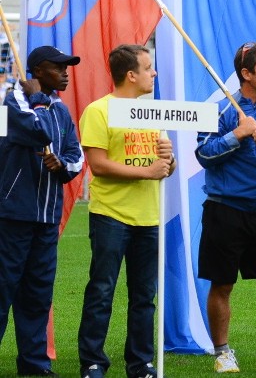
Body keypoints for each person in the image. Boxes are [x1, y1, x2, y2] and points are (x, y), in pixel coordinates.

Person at [78, 45, 176, 378]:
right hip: (111, 215)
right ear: (131, 75)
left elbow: (164, 168)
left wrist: (168, 159)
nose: (154, 73)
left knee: (144, 296)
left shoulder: (150, 112)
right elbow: (98, 165)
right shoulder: (99, 110)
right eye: (149, 68)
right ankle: (93, 361)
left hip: (149, 216)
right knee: (102, 290)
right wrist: (149, 171)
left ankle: (141, 363)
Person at [195, 42, 256, 374]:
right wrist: (238, 134)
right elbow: (203, 155)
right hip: (224, 211)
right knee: (222, 284)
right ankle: (222, 353)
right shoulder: (220, 111)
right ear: (246, 73)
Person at [0, 47, 82, 377]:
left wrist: (62, 165)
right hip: (13, 215)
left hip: (47, 219)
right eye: (57, 67)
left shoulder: (60, 109)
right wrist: (36, 100)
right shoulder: (13, 101)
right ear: (36, 71)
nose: (65, 72)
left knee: (38, 294)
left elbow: (76, 157)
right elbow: (39, 132)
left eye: (67, 67)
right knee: (2, 289)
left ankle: (34, 365)